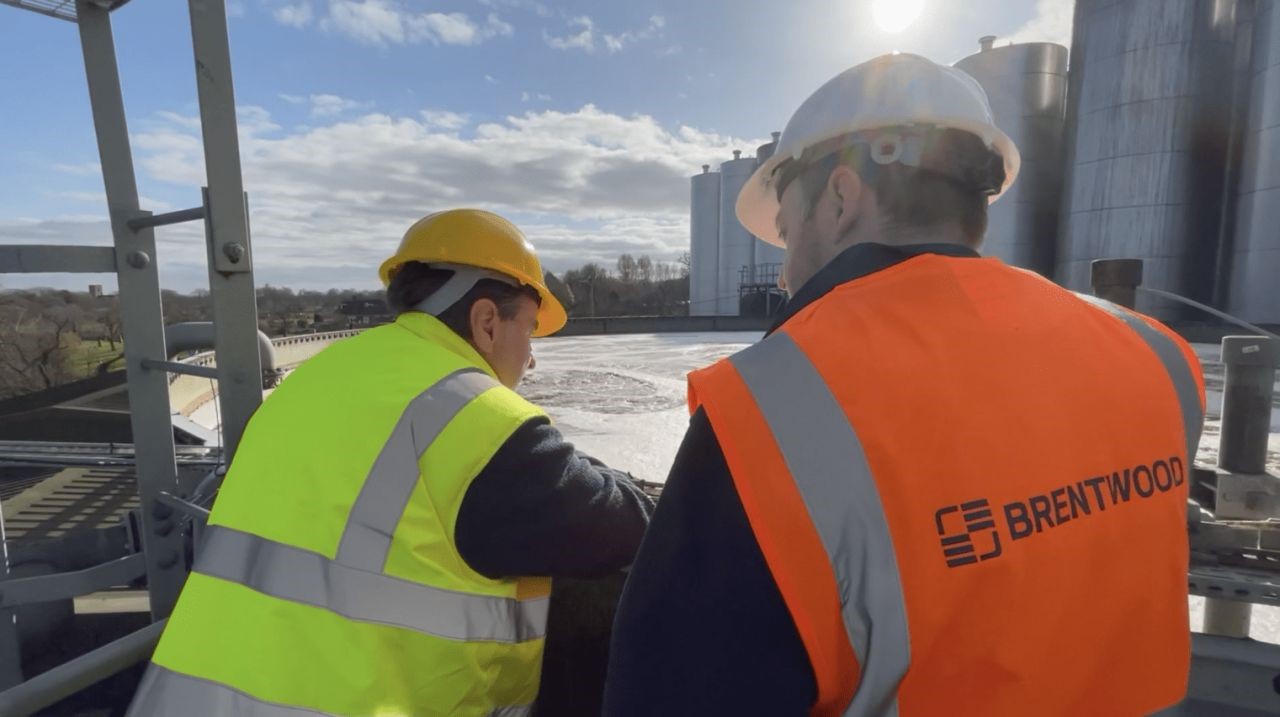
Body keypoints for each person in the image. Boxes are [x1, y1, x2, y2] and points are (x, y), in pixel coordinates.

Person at [604, 53, 1204, 716]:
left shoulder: (775, 408)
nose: (783, 275)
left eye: (787, 233)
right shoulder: (1159, 357)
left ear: (840, 198)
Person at [129, 209, 654, 716]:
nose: (532, 356)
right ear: (488, 321)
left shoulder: (319, 377)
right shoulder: (474, 415)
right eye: (531, 330)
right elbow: (623, 524)